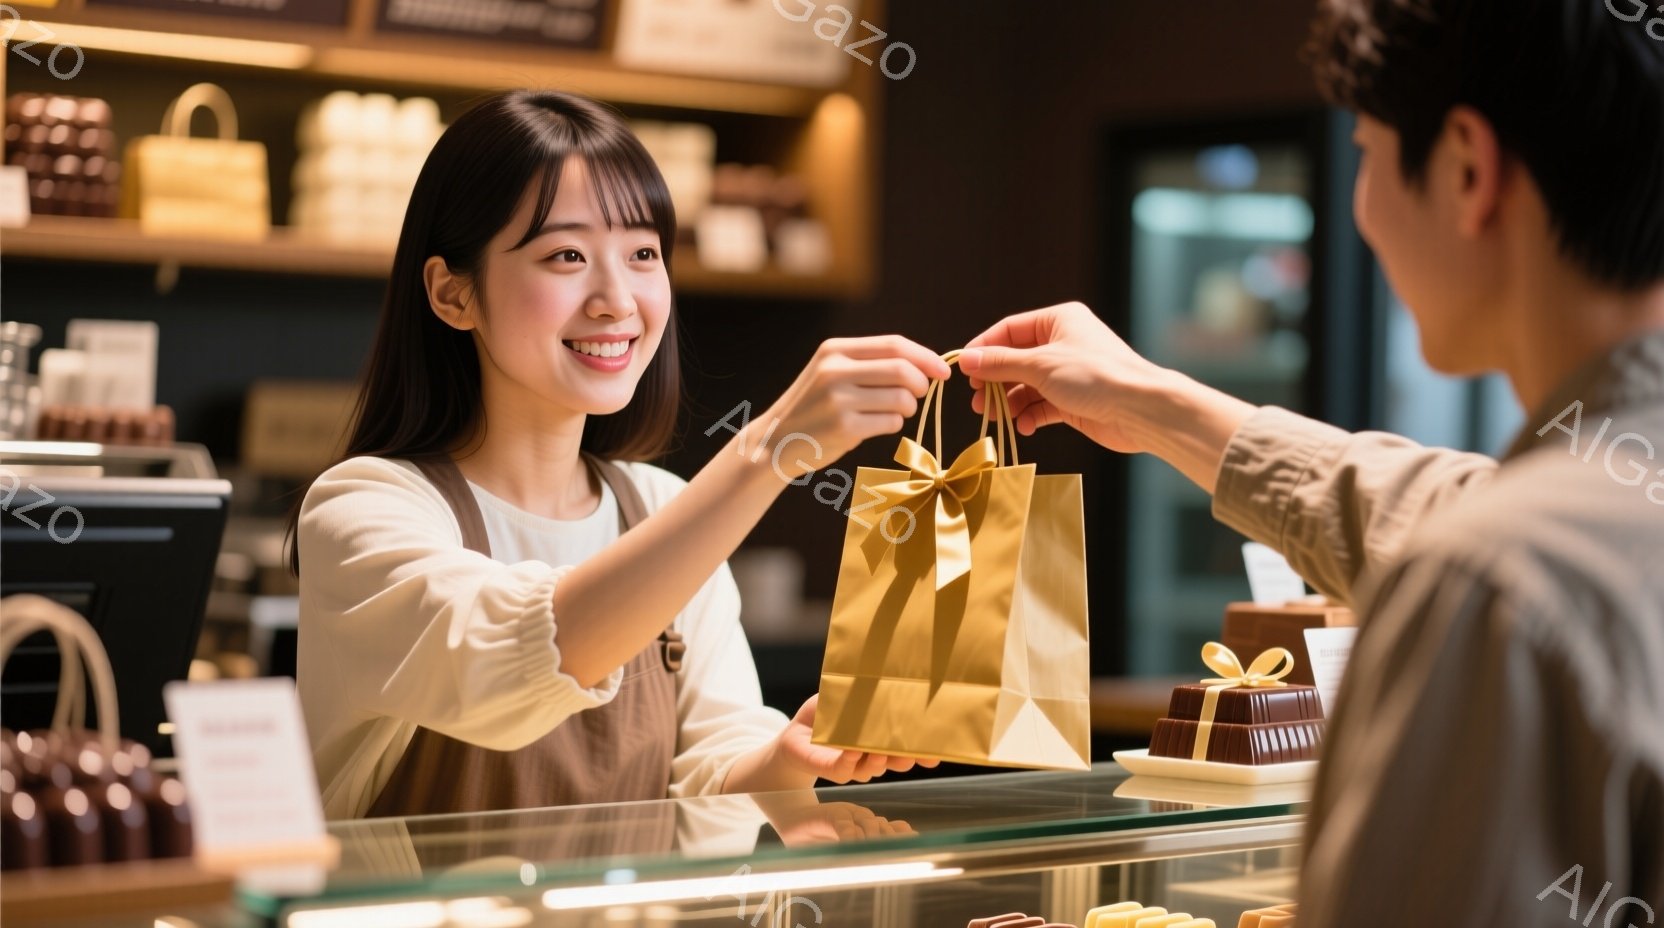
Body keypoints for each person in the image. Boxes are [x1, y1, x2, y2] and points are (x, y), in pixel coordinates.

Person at [958, 1, 1664, 925]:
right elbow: (1444, 506)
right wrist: (1152, 402)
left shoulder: (1493, 583)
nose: (1362, 208)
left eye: (1366, 150)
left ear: (1466, 168)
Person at [287, 90, 945, 820]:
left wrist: (789, 758)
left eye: (642, 255)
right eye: (566, 255)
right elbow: (514, 661)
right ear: (453, 294)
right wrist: (765, 451)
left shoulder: (661, 506)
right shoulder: (362, 509)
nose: (617, 300)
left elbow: (709, 776)